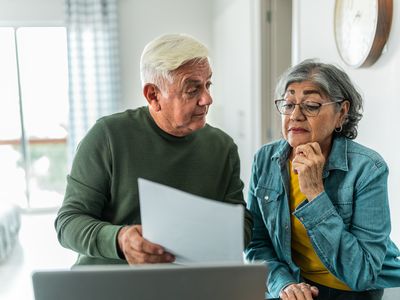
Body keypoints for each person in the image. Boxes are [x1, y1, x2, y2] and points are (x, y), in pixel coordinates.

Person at [55, 33, 252, 265]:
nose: (207, 99)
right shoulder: (107, 136)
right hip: (110, 283)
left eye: (207, 84)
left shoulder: (223, 147)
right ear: (153, 95)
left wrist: (214, 232)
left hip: (188, 284)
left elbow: (243, 228)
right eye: (193, 89)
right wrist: (119, 239)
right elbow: (68, 223)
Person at [245, 59, 400, 300]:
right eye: (288, 104)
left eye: (311, 105)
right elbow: (257, 243)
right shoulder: (265, 159)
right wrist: (284, 284)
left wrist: (315, 194)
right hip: (299, 286)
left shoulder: (369, 168)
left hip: (362, 290)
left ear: (342, 112)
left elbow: (362, 274)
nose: (295, 116)